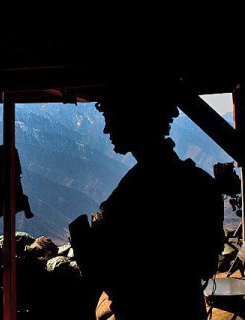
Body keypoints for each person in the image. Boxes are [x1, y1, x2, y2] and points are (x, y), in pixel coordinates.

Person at [69, 84, 225, 319]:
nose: (106, 129)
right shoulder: (198, 181)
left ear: (135, 121)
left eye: (112, 118)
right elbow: (206, 262)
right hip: (185, 306)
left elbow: (113, 267)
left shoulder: (136, 189)